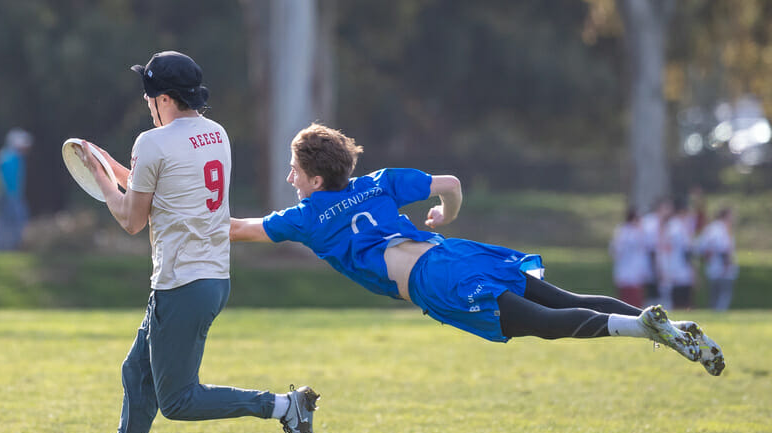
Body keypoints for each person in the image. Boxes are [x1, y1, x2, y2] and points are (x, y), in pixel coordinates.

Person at [230, 123, 725, 379]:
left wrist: (178, 215)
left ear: (315, 180)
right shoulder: (377, 182)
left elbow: (240, 229)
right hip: (455, 253)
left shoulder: (307, 215)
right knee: (562, 298)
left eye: (293, 170)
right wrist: (447, 215)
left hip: (433, 282)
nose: (288, 178)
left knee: (543, 324)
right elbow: (450, 182)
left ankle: (645, 326)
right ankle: (669, 329)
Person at [68, 51, 319, 433]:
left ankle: (284, 406)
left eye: (148, 95)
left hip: (180, 282)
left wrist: (101, 179)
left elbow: (131, 219)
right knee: (136, 375)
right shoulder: (215, 133)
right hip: (212, 278)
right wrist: (112, 166)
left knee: (178, 401)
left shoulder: (153, 141)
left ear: (164, 97)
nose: (147, 103)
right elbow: (166, 183)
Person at [657, 197, 696, 310]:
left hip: (671, 270)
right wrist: (693, 271)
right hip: (680, 271)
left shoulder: (670, 226)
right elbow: (686, 251)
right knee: (682, 305)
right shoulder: (679, 227)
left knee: (674, 304)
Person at [698, 207, 738, 311]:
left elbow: (701, 248)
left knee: (714, 296)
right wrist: (727, 265)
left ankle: (714, 313)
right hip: (722, 268)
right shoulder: (721, 229)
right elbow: (723, 249)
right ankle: (719, 313)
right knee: (722, 296)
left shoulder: (710, 228)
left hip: (712, 268)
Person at [609, 207, 650, 307]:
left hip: (634, 270)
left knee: (635, 297)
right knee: (627, 297)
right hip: (627, 269)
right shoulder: (625, 231)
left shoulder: (636, 231)